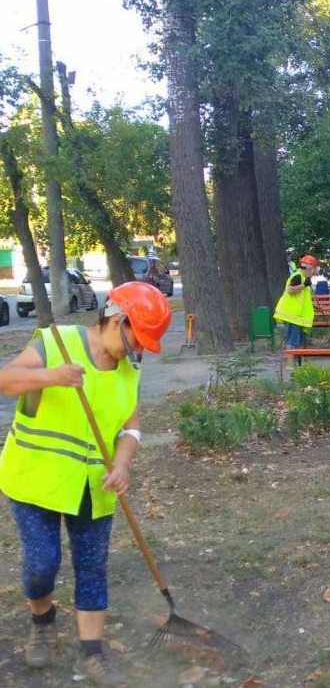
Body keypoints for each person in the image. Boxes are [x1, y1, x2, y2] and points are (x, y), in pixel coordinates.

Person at [0, 281, 172, 687]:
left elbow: (131, 430)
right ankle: (42, 621)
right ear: (117, 319)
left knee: (92, 567)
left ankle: (93, 652)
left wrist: (124, 465)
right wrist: (51, 376)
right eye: (137, 338)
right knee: (42, 563)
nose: (139, 350)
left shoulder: (129, 374)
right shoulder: (56, 341)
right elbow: (5, 381)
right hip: (34, 480)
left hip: (95, 487)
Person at [274, 254, 318, 360]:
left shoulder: (303, 277)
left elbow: (302, 299)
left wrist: (315, 305)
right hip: (292, 316)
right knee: (292, 342)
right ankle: (290, 366)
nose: (313, 273)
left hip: (298, 317)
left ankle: (300, 366)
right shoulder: (298, 276)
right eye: (313, 270)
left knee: (299, 343)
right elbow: (291, 290)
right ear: (310, 268)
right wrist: (304, 285)